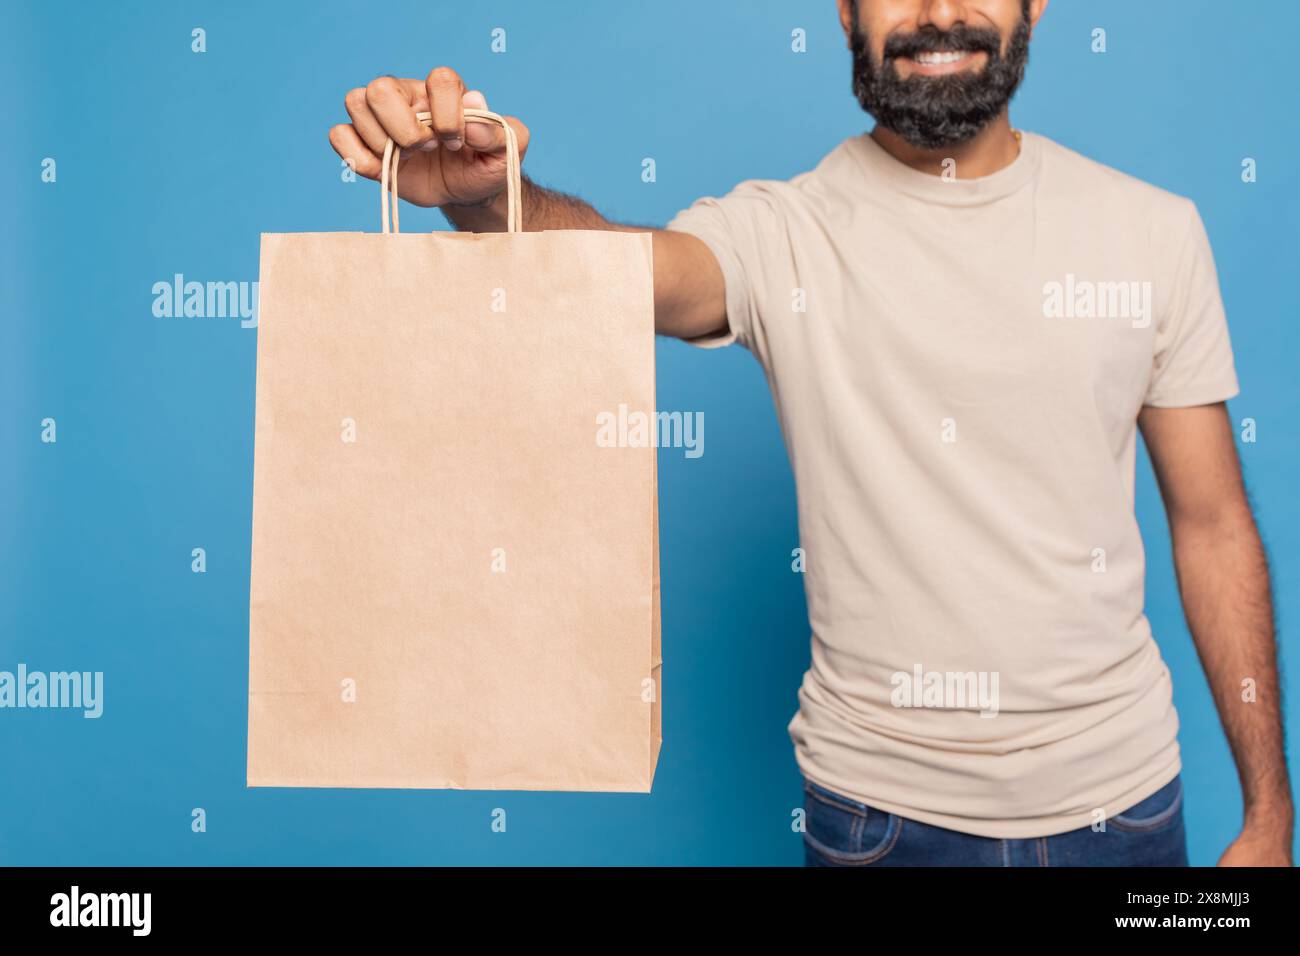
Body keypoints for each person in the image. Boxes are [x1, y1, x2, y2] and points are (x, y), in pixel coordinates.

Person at [328, 0, 1293, 866]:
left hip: (1121, 815)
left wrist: (1268, 816)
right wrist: (482, 195)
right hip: (877, 823)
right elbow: (622, 273)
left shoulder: (1154, 233)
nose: (940, 11)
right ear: (845, 12)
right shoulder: (781, 232)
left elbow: (1211, 524)